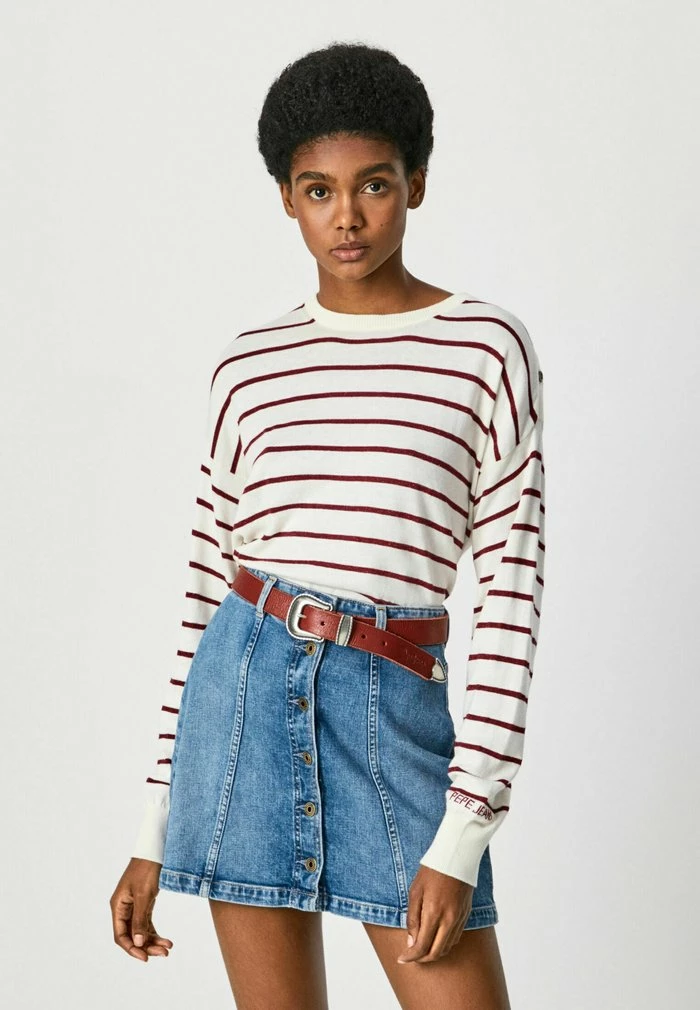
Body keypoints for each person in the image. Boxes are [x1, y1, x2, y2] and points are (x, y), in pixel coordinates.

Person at [109, 40, 546, 1010]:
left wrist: (464, 830)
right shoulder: (249, 364)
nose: (346, 216)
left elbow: (512, 597)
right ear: (286, 198)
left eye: (374, 184)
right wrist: (154, 825)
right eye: (318, 190)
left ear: (416, 183)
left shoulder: (486, 348)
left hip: (392, 710)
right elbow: (204, 591)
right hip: (241, 707)